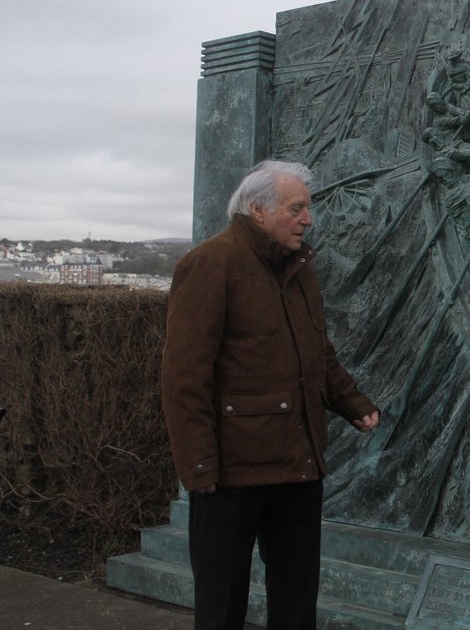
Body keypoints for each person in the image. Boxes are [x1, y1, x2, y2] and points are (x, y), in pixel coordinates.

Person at [161, 160, 380, 630]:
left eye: (308, 208)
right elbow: (184, 377)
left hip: (298, 468)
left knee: (297, 602)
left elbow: (317, 352)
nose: (308, 219)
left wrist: (353, 403)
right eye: (296, 208)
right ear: (258, 211)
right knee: (222, 607)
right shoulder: (210, 264)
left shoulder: (299, 269)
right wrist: (199, 467)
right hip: (229, 476)